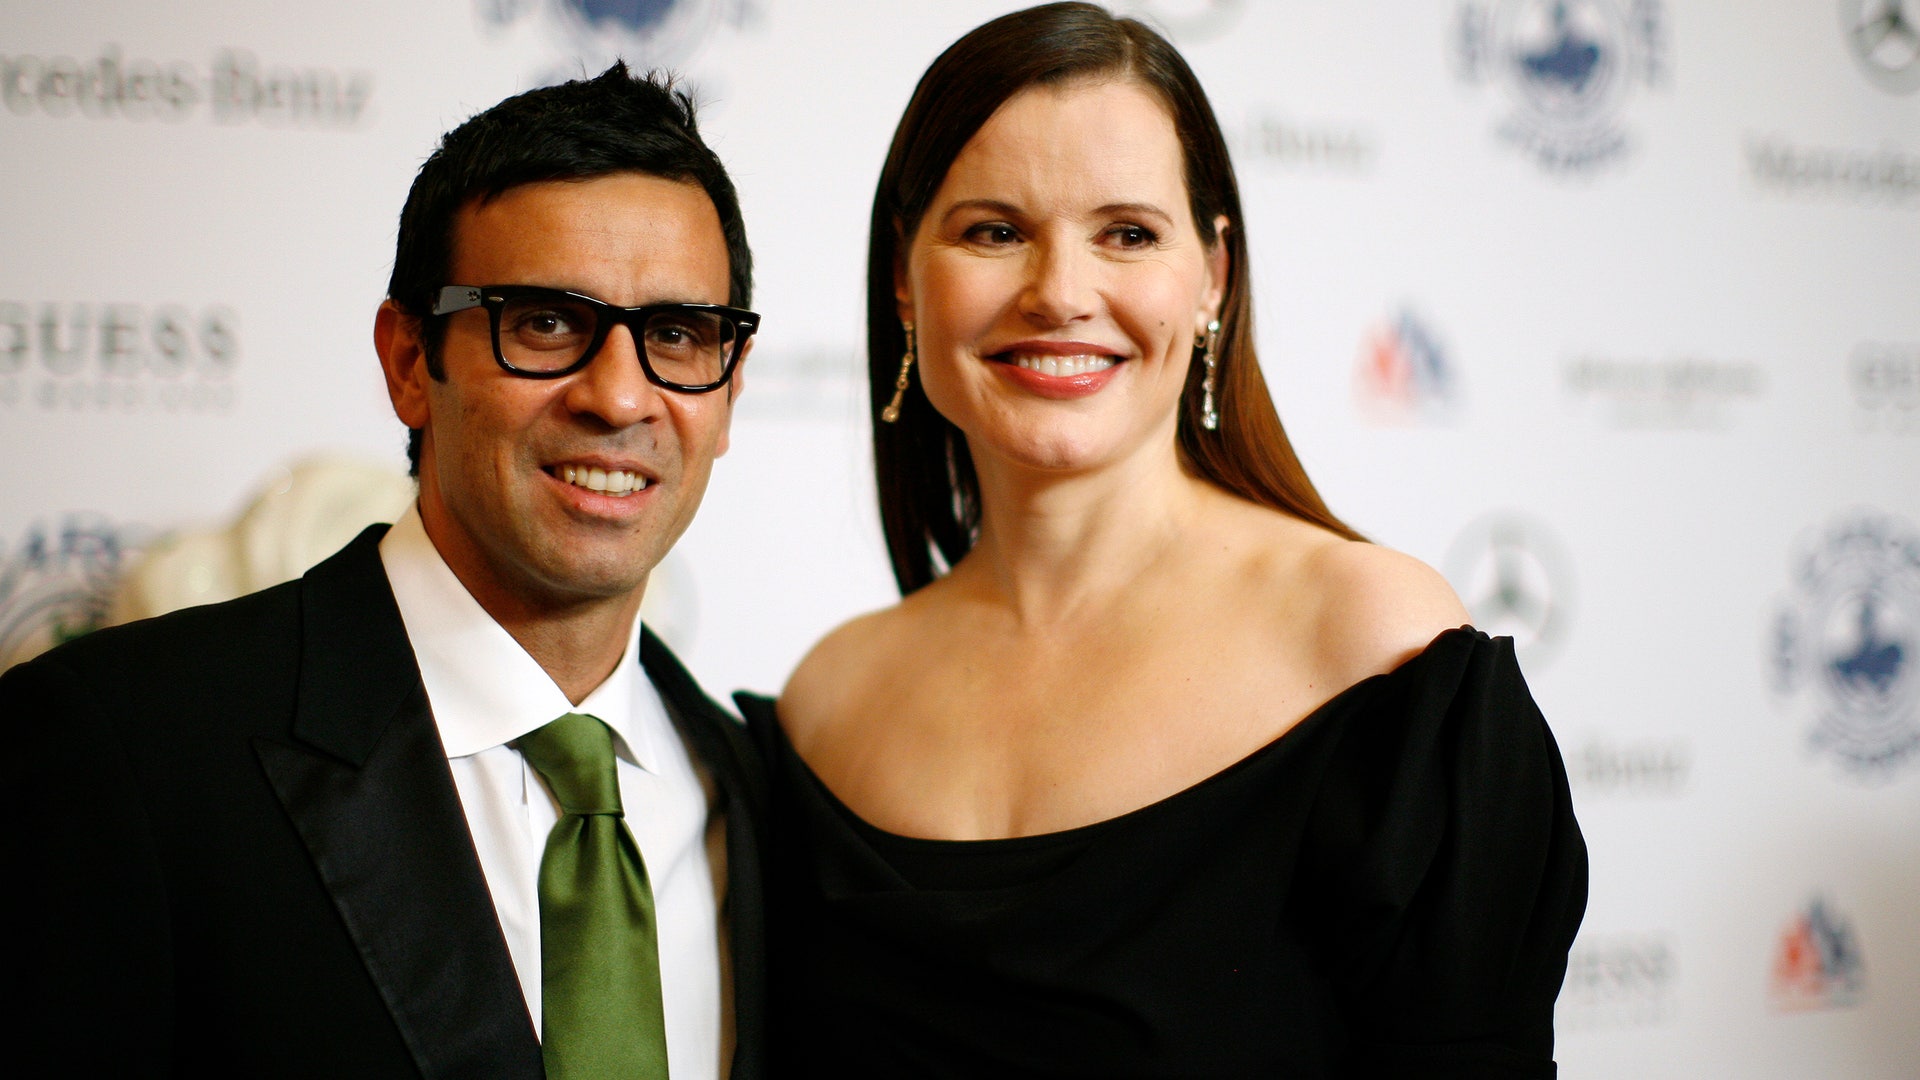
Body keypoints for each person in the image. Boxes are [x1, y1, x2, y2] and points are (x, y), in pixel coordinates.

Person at [742, 4, 1587, 1076]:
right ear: (905, 280)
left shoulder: (1378, 652)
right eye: (994, 230)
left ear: (1213, 278)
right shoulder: (823, 704)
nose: (1059, 292)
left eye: (1128, 233)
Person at [3, 64, 766, 1080]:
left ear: (729, 388)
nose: (620, 396)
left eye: (677, 335)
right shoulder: (120, 749)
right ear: (410, 361)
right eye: (544, 322)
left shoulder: (763, 798)